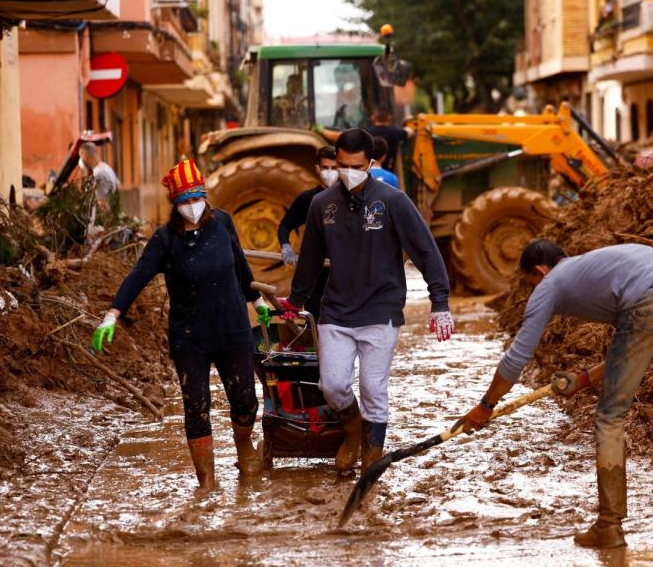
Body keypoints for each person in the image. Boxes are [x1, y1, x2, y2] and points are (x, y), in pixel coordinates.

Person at [460, 240, 653, 548]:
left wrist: (486, 405)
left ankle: (609, 527)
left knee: (610, 417)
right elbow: (646, 344)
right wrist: (585, 378)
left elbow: (516, 358)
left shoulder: (550, 284)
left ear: (539, 271)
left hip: (648, 297)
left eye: (531, 282)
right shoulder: (599, 266)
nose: (534, 289)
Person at [278, 129, 455, 475]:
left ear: (371, 163)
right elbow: (311, 259)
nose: (346, 172)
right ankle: (352, 429)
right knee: (332, 385)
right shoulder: (321, 205)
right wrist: (295, 301)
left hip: (380, 310)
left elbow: (424, 250)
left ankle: (372, 453)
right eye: (341, 165)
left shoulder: (393, 201)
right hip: (336, 311)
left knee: (373, 387)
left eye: (355, 165)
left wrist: (440, 300)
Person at [90, 159, 266, 492]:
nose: (192, 206)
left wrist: (257, 302)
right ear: (175, 204)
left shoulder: (223, 223)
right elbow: (139, 275)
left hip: (233, 329)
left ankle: (244, 447)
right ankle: (207, 483)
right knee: (196, 407)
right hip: (190, 337)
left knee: (246, 400)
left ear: (205, 196)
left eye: (197, 198)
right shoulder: (165, 239)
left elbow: (241, 265)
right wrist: (112, 314)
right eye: (185, 201)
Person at [276, 145, 338, 318]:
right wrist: (285, 245)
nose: (329, 172)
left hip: (342, 271)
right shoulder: (308, 199)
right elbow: (285, 226)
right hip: (315, 272)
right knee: (315, 317)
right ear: (318, 168)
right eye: (325, 168)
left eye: (334, 168)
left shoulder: (349, 198)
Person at [365, 107, 411, 172]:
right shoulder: (396, 132)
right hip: (389, 171)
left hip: (368, 172)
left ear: (373, 117)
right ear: (389, 118)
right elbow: (410, 132)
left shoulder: (366, 132)